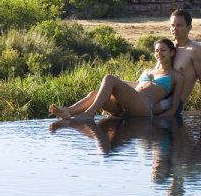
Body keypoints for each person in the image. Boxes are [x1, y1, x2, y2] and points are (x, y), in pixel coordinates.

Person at [49, 38, 181, 120]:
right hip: (128, 103)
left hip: (144, 107)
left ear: (172, 52)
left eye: (163, 50)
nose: (159, 53)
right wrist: (111, 88)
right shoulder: (147, 71)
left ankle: (90, 113)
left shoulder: (175, 76)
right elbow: (136, 85)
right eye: (157, 51)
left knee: (109, 78)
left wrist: (160, 119)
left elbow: (175, 106)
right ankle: (68, 111)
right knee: (94, 94)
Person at [156, 9, 201, 116]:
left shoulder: (194, 50)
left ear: (189, 28)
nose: (174, 29)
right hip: (153, 96)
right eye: (172, 25)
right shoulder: (166, 48)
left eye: (179, 25)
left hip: (171, 104)